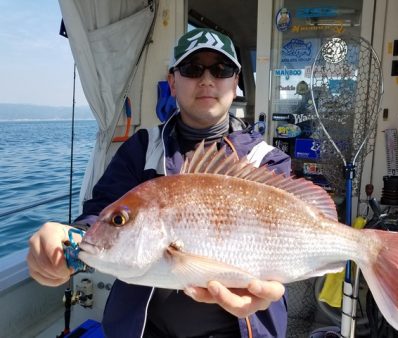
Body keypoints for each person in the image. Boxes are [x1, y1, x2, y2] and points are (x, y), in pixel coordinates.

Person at [27, 28, 291, 337]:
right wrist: (67, 242)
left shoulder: (265, 159)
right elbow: (99, 214)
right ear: (172, 82)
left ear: (235, 83)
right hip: (145, 329)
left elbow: (289, 238)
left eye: (222, 69)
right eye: (193, 69)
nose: (207, 79)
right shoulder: (142, 147)